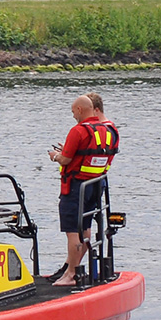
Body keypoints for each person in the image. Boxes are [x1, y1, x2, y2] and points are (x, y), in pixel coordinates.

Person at [47, 95, 119, 287]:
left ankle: (71, 274)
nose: (73, 116)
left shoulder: (78, 131)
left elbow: (66, 160)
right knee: (85, 228)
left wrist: (55, 156)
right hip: (96, 187)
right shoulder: (111, 131)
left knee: (73, 232)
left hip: (75, 187)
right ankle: (77, 269)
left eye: (73, 112)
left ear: (80, 110)